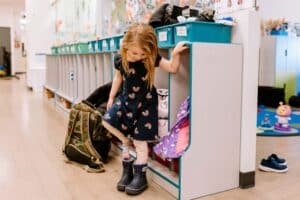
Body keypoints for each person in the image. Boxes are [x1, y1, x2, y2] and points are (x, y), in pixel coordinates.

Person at [102, 23, 188, 195]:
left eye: (142, 53)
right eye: (134, 53)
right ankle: (127, 169)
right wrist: (111, 97)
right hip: (126, 101)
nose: (138, 57)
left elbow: (172, 68)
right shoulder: (121, 59)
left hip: (146, 104)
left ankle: (140, 176)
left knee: (140, 141)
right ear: (126, 48)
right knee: (108, 121)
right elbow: (118, 78)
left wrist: (176, 53)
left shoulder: (150, 58)